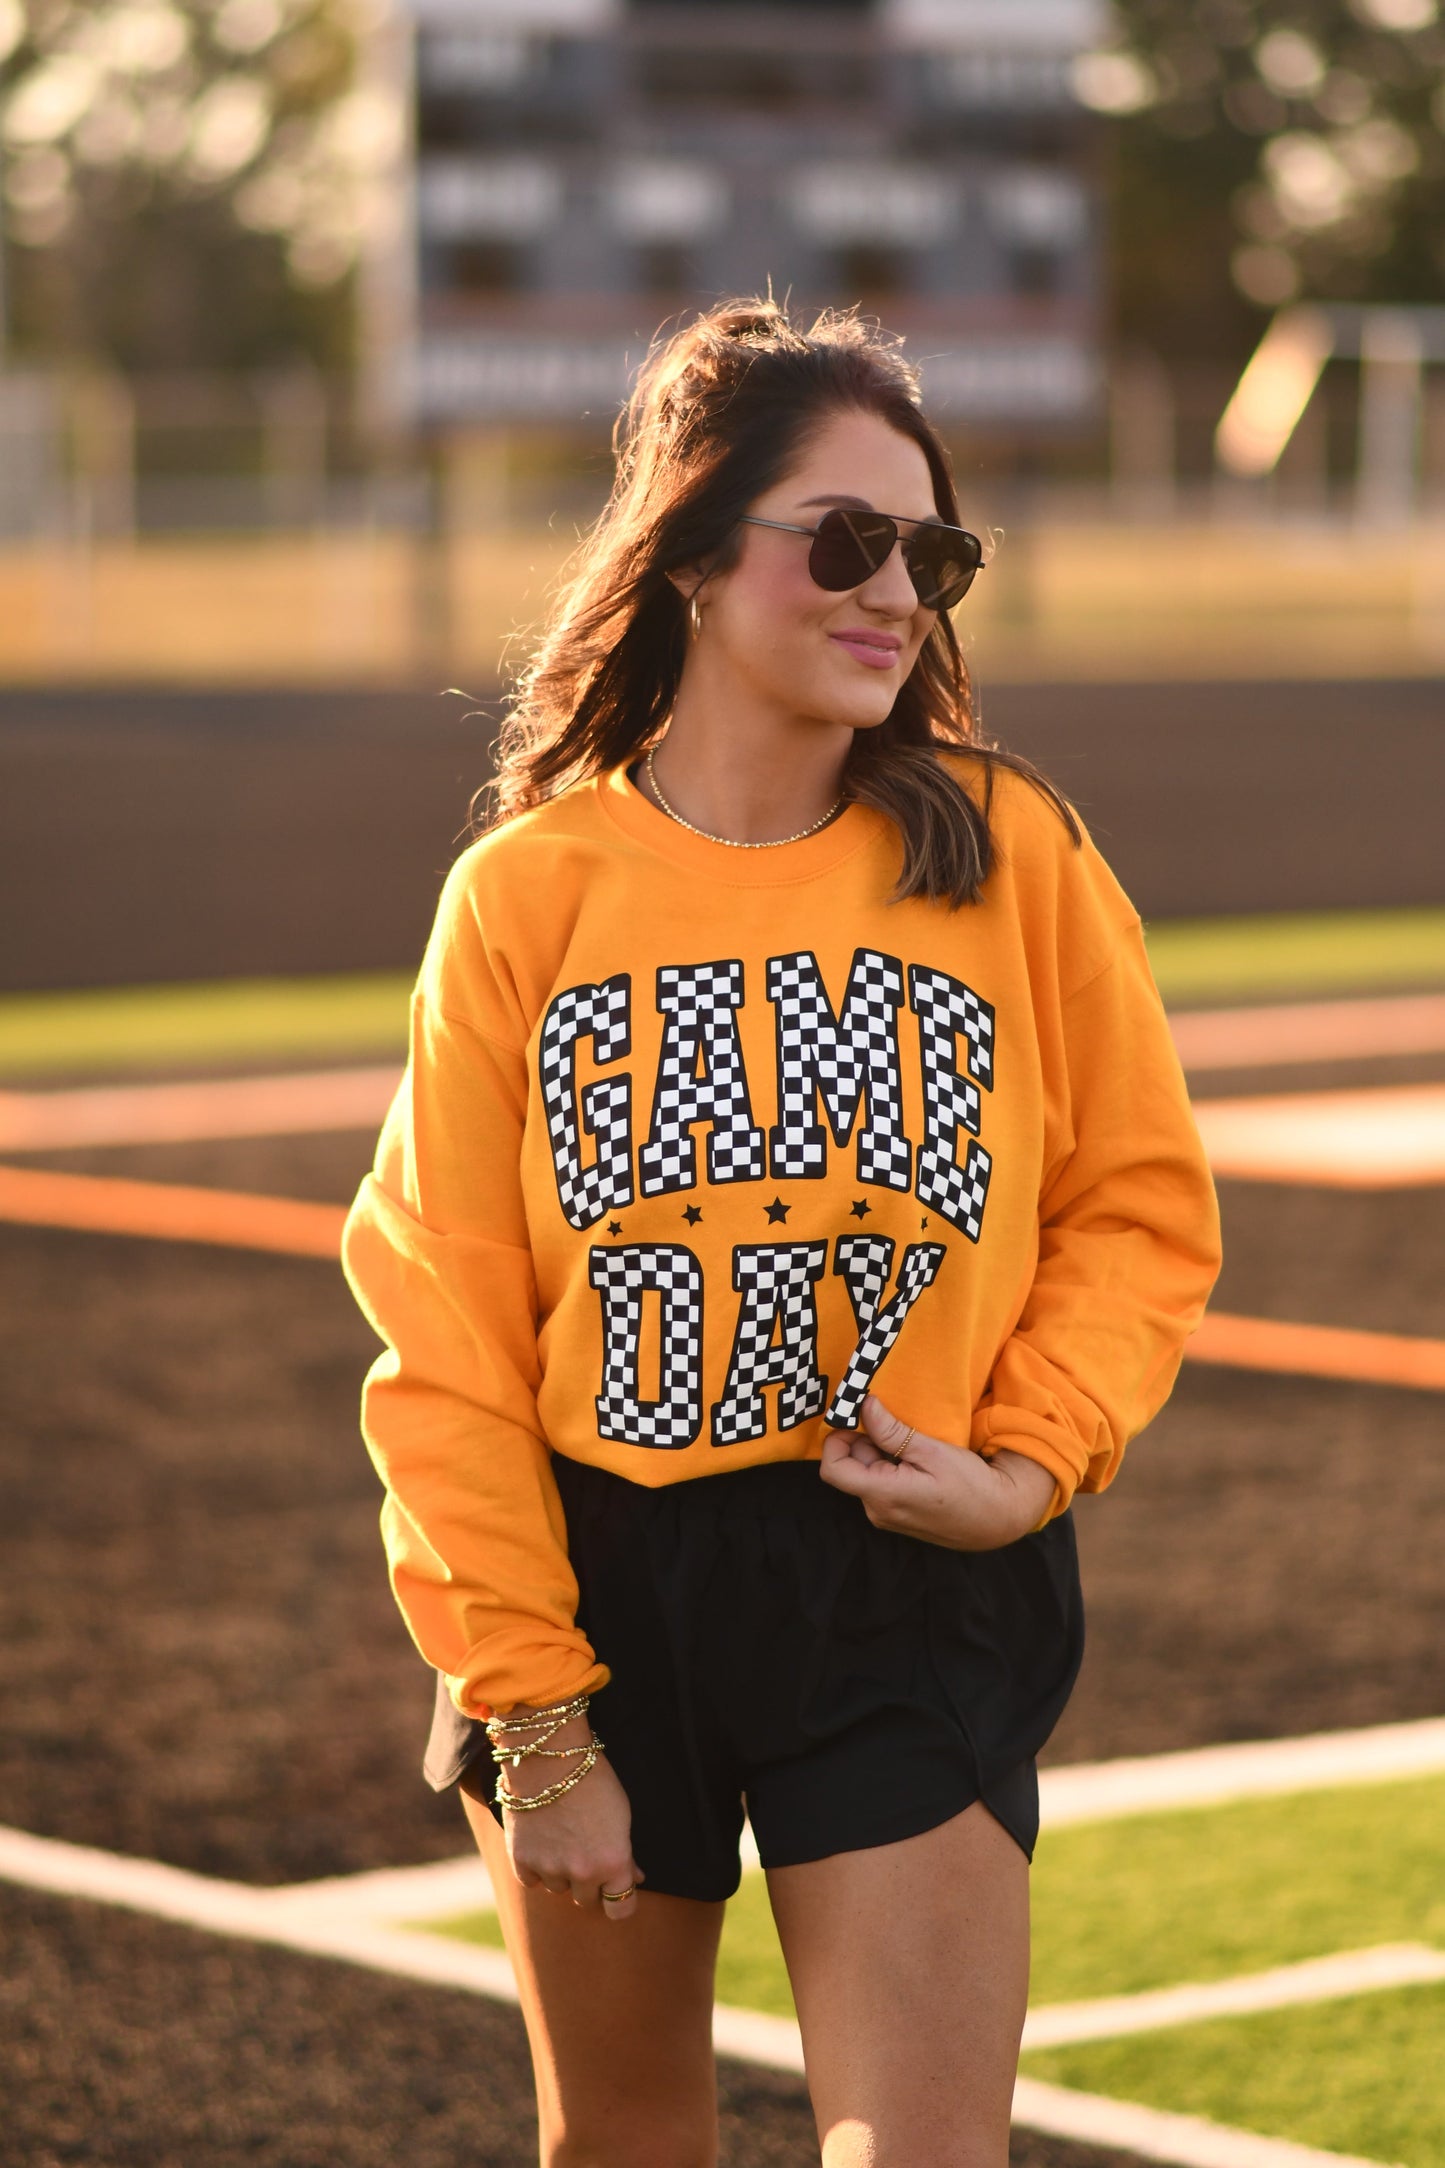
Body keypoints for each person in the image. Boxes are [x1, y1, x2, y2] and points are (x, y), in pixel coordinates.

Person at [342, 297, 1222, 2168]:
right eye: (843, 539)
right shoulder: (526, 894)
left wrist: (1027, 1463)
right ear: (683, 548)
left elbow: (1137, 1208)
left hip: (905, 1578)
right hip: (592, 1598)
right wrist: (538, 1714)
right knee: (628, 2147)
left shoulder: (1008, 852)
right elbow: (444, 1327)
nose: (895, 590)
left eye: (932, 552)